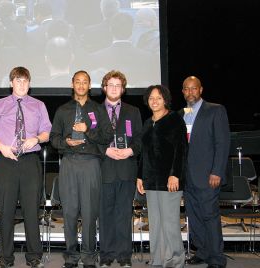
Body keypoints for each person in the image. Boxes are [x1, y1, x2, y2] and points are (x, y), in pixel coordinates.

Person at [0, 66, 52, 268]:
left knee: (32, 210)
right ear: (11, 83)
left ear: (29, 84)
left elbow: (47, 132)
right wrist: (1, 147)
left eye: (25, 81)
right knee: (6, 210)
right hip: (6, 161)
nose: (22, 84)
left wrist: (36, 138)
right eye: (18, 80)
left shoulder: (39, 105)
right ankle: (6, 258)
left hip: (30, 161)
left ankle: (34, 257)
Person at [50, 70, 114, 268]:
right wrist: (66, 142)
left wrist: (89, 131)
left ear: (89, 85)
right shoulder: (62, 110)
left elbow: (107, 136)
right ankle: (70, 256)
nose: (80, 85)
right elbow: (53, 138)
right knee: (69, 212)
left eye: (84, 82)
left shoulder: (98, 109)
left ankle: (88, 257)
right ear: (72, 84)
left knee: (89, 212)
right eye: (77, 81)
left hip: (91, 163)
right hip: (69, 162)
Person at [136, 85, 187, 268]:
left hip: (169, 181)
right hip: (150, 181)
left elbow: (181, 151)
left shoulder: (175, 120)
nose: (154, 101)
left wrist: (175, 175)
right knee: (155, 224)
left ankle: (176, 260)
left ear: (165, 99)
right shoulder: (148, 122)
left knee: (170, 223)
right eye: (151, 98)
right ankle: (157, 260)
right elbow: (144, 152)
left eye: (158, 98)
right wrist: (140, 176)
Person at [182, 76, 230, 268]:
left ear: (201, 90)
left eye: (194, 88)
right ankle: (202, 252)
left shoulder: (215, 110)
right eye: (186, 89)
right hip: (187, 178)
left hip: (208, 176)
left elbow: (222, 143)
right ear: (183, 92)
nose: (190, 92)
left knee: (210, 217)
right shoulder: (181, 114)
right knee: (194, 217)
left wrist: (217, 171)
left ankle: (217, 258)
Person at [98, 70, 142, 268]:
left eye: (118, 85)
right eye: (111, 85)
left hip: (126, 169)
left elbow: (141, 139)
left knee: (124, 214)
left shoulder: (133, 112)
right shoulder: (95, 111)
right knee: (105, 213)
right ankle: (106, 254)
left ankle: (124, 255)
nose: (114, 88)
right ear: (104, 87)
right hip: (104, 169)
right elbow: (91, 140)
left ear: (123, 89)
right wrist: (105, 150)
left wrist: (131, 151)